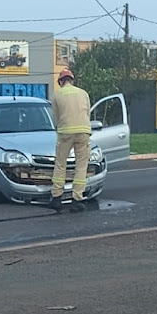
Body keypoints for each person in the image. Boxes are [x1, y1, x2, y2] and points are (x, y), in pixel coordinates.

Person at [49, 69, 91, 213]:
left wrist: (59, 128)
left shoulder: (57, 95)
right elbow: (87, 113)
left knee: (61, 164)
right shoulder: (83, 93)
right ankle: (77, 199)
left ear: (61, 81)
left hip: (65, 131)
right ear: (72, 80)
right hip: (83, 131)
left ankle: (56, 198)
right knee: (81, 165)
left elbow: (56, 116)